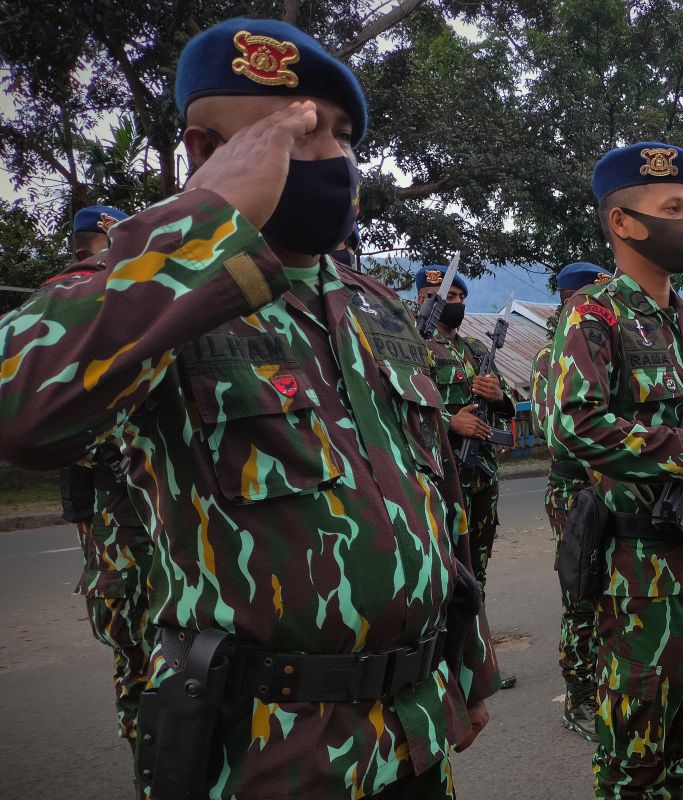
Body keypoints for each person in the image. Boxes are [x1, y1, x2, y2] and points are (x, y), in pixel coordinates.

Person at [0, 18, 497, 798]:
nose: (330, 155)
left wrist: (470, 659)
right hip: (262, 751)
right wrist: (208, 218)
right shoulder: (158, 291)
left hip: (411, 736)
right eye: (294, 132)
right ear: (205, 151)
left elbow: (432, 498)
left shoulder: (378, 309)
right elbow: (20, 412)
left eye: (339, 133)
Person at [547, 141, 683, 798]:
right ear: (624, 222)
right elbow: (572, 425)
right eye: (673, 208)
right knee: (632, 757)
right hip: (636, 577)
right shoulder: (595, 313)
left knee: (682, 734)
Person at [49, 205, 159, 751]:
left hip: (137, 523)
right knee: (144, 668)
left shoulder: (104, 298)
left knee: (157, 666)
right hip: (120, 526)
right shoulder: (78, 298)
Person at [416, 267, 518, 690]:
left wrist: (498, 396)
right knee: (442, 573)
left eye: (457, 295)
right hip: (440, 475)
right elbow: (398, 408)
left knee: (477, 571)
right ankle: (435, 669)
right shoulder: (412, 345)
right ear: (420, 298)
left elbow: (510, 407)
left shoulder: (477, 348)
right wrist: (448, 422)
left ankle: (475, 665)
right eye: (437, 293)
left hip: (482, 477)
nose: (449, 301)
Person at [529, 260, 612, 740]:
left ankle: (600, 684)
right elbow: (556, 431)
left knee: (607, 593)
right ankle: (578, 699)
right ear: (570, 300)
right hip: (575, 492)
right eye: (591, 298)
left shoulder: (601, 349)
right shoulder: (550, 357)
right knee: (581, 594)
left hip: (607, 489)